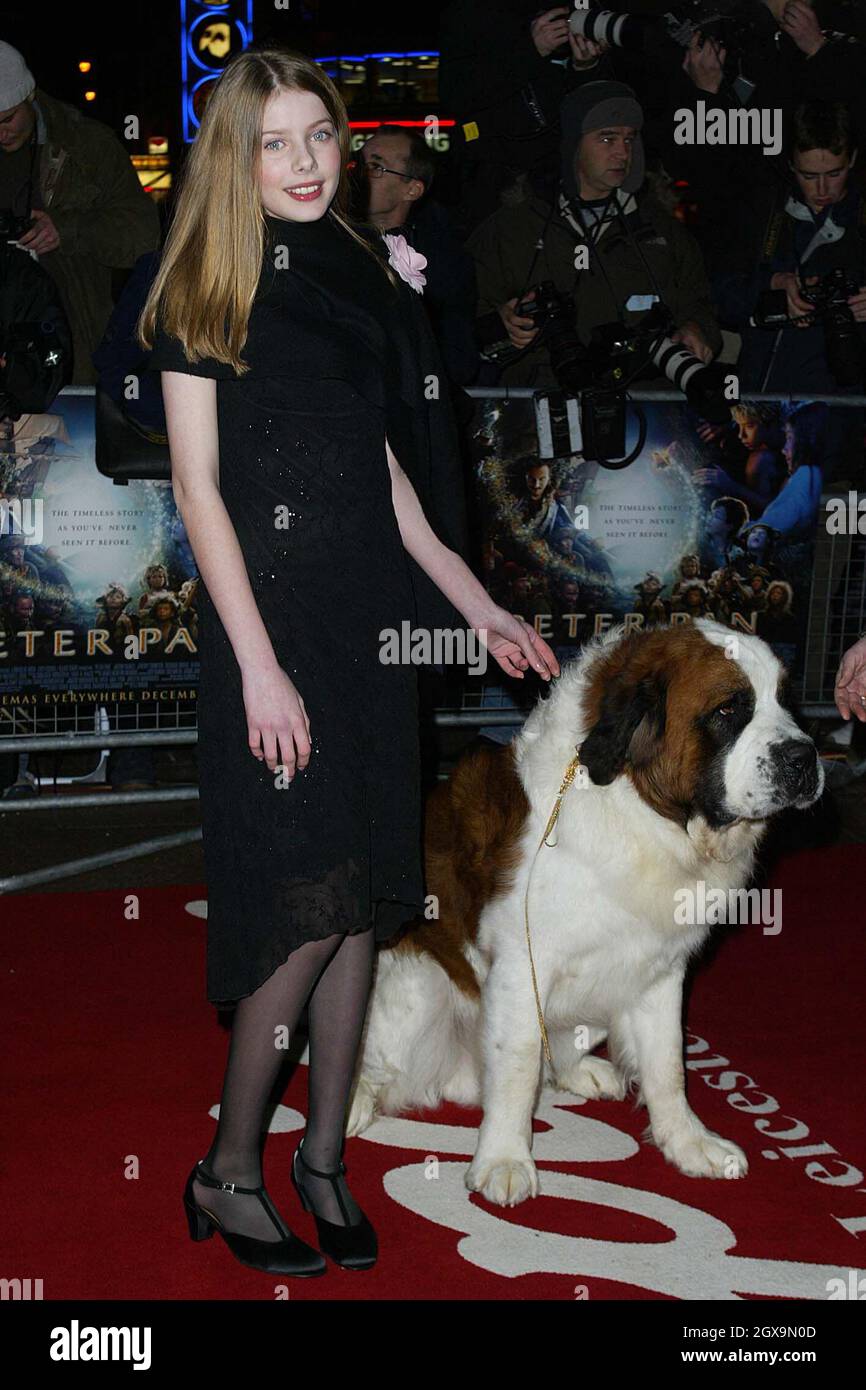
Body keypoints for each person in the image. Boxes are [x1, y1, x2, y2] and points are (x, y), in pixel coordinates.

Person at [137, 45, 559, 1278]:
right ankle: (226, 1169)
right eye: (273, 142)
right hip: (271, 629)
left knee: (368, 895)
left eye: (320, 135)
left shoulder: (362, 278)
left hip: (371, 627)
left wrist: (477, 607)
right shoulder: (205, 284)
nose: (306, 162)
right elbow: (199, 490)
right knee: (301, 913)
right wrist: (259, 667)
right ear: (234, 157)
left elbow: (396, 492)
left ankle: (321, 1158)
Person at [467, 80, 721, 389]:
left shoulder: (662, 230)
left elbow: (700, 302)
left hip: (642, 408)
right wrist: (500, 324)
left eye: (629, 140)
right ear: (574, 144)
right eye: (607, 139)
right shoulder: (511, 229)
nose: (621, 153)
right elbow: (461, 318)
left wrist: (696, 328)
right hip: (541, 405)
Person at [0, 40, 160, 384]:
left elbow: (144, 234)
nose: (1, 132)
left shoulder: (87, 147)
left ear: (29, 96)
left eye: (8, 118)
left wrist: (66, 230)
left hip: (74, 349)